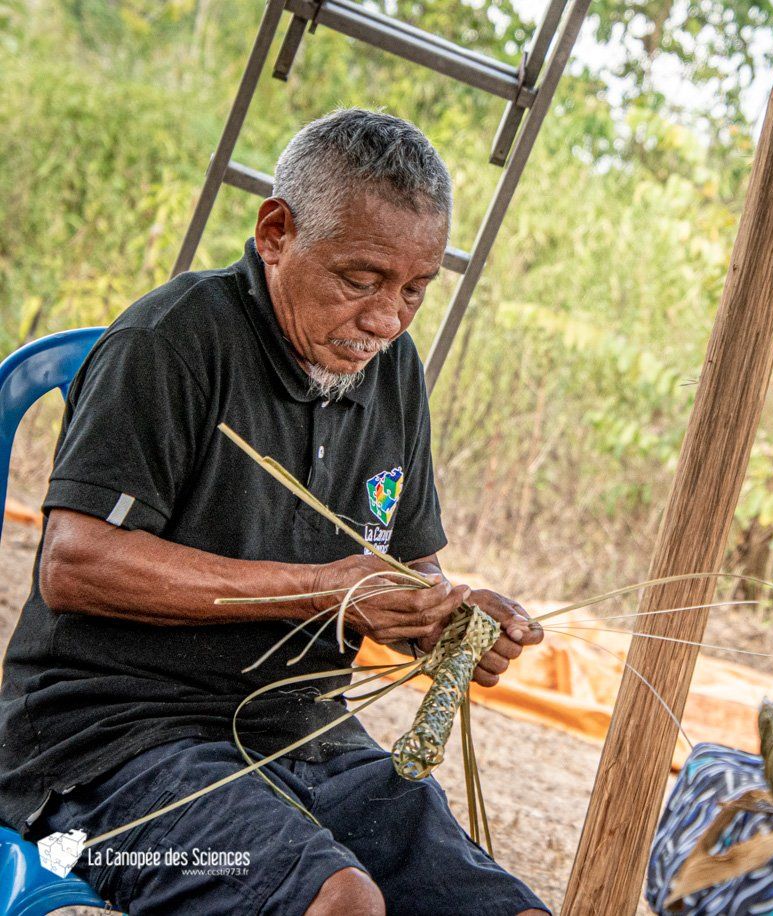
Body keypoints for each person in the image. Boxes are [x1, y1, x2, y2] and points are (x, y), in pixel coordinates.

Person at [0, 109, 549, 915]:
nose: (386, 319)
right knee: (340, 903)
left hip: (306, 737)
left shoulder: (393, 371)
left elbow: (408, 566)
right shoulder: (171, 342)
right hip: (112, 748)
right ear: (276, 233)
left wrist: (443, 621)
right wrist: (323, 591)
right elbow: (76, 564)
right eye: (360, 280)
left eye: (414, 290)